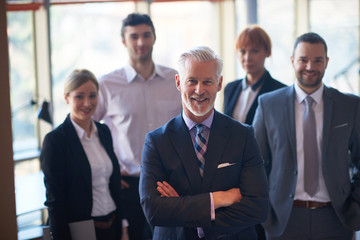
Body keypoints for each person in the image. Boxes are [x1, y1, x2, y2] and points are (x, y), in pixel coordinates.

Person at [139, 46, 269, 239]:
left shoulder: (243, 136)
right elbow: (154, 210)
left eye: (207, 81)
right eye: (191, 81)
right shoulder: (156, 141)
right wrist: (217, 199)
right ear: (178, 82)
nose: (199, 90)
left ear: (219, 83)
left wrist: (182, 208)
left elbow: (257, 207)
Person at [253, 32, 360, 239]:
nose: (310, 67)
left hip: (337, 218)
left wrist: (356, 205)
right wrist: (265, 212)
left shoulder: (350, 106)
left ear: (327, 62)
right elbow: (254, 164)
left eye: (317, 60)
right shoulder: (268, 105)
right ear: (293, 61)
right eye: (303, 60)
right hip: (283, 220)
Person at [93, 13, 182, 239]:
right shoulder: (107, 84)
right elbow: (90, 129)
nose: (140, 42)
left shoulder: (176, 80)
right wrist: (109, 168)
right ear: (123, 41)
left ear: (154, 37)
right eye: (133, 37)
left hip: (170, 181)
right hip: (128, 185)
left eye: (146, 35)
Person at [40, 69, 122, 240]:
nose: (87, 103)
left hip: (113, 225)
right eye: (79, 96)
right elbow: (55, 202)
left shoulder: (104, 131)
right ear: (66, 97)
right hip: (81, 230)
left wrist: (124, 227)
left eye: (92, 96)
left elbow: (112, 183)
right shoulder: (56, 141)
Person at [224, 25, 286, 125]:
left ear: (268, 52)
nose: (247, 58)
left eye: (255, 51)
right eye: (242, 51)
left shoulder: (280, 92)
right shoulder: (230, 88)